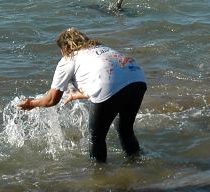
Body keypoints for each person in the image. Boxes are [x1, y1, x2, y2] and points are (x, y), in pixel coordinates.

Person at [18, 28, 147, 163]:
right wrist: (76, 95)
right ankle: (137, 163)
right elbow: (107, 79)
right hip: (137, 79)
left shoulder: (68, 59)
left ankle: (99, 176)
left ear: (65, 47)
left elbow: (51, 99)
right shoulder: (102, 48)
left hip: (112, 84)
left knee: (97, 137)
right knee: (125, 129)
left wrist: (31, 103)